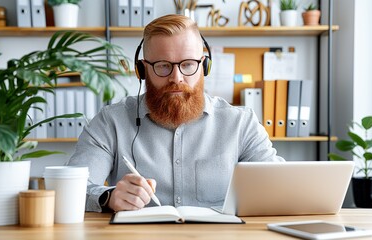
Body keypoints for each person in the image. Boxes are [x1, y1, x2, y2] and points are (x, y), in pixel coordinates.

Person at [66, 14, 284, 213]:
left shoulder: (241, 123)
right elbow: (69, 188)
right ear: (142, 71)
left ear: (204, 66)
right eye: (163, 66)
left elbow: (280, 186)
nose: (177, 78)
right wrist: (108, 196)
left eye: (188, 65)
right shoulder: (110, 122)